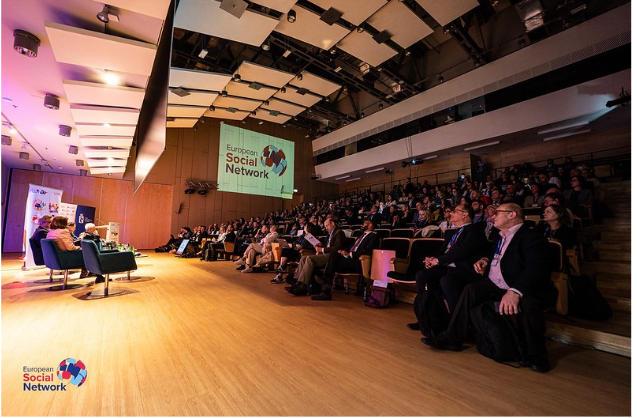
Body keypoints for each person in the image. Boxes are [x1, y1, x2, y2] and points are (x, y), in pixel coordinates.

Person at [424, 203, 557, 373]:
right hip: (494, 284)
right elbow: (494, 255)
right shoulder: (499, 236)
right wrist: (485, 260)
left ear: (511, 215)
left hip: (519, 286)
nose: (492, 216)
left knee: (529, 304)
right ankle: (453, 338)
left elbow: (535, 269)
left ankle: (536, 355)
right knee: (471, 289)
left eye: (497, 213)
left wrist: (515, 291)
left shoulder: (532, 237)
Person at [407, 204, 488, 331]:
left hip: (463, 269)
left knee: (447, 280)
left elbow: (462, 251)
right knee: (422, 275)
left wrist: (438, 261)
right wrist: (433, 259)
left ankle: (455, 325)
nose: (451, 213)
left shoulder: (475, 230)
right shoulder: (453, 233)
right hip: (447, 267)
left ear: (465, 214)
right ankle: (426, 318)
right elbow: (446, 253)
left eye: (455, 211)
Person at [312, 219, 380, 301]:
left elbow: (367, 251)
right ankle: (325, 286)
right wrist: (343, 251)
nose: (362, 225)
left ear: (370, 225)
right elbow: (352, 247)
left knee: (331, 263)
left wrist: (350, 254)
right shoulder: (360, 236)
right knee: (333, 254)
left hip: (358, 261)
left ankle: (325, 287)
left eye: (365, 223)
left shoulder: (373, 237)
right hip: (348, 259)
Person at [286, 218, 347, 296]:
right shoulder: (329, 234)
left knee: (310, 259)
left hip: (332, 256)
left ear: (332, 224)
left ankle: (302, 286)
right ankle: (297, 282)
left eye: (327, 225)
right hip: (325, 254)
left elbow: (337, 248)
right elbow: (325, 245)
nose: (326, 228)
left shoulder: (339, 233)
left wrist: (322, 249)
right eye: (325, 226)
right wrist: (319, 246)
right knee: (304, 258)